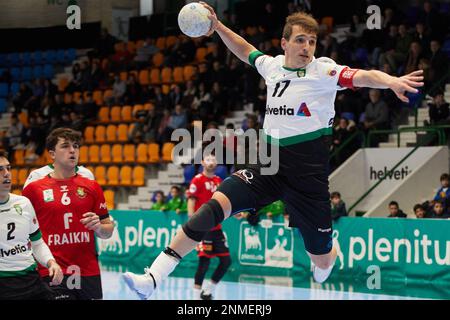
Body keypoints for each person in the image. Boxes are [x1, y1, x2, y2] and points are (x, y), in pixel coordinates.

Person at [123, 3, 424, 299]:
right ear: (284, 43)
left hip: (308, 182)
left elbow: (363, 75)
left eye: (312, 41)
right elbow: (244, 49)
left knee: (321, 261)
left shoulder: (324, 71)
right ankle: (152, 278)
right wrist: (217, 26)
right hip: (268, 168)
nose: (307, 47)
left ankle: (329, 252)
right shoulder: (273, 67)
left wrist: (392, 81)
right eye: (300, 40)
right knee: (213, 207)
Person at [22, 128, 114, 300]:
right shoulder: (34, 188)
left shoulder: (91, 185)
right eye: (65, 146)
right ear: (52, 154)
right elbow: (24, 229)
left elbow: (107, 231)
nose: (72, 150)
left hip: (88, 271)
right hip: (52, 270)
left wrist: (99, 227)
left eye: (76, 146)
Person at [0, 151, 63, 300]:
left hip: (31, 279)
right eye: (0, 170)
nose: (7, 174)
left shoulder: (23, 203)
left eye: (8, 168)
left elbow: (37, 243)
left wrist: (51, 262)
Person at [186, 154, 230, 300]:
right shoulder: (197, 180)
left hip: (216, 228)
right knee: (204, 261)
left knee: (226, 261)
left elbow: (225, 200)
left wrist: (235, 212)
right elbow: (191, 200)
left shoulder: (219, 181)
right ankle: (195, 296)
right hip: (203, 229)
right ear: (203, 163)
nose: (211, 162)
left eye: (213, 160)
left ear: (217, 163)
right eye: (208, 160)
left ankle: (208, 290)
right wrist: (192, 220)